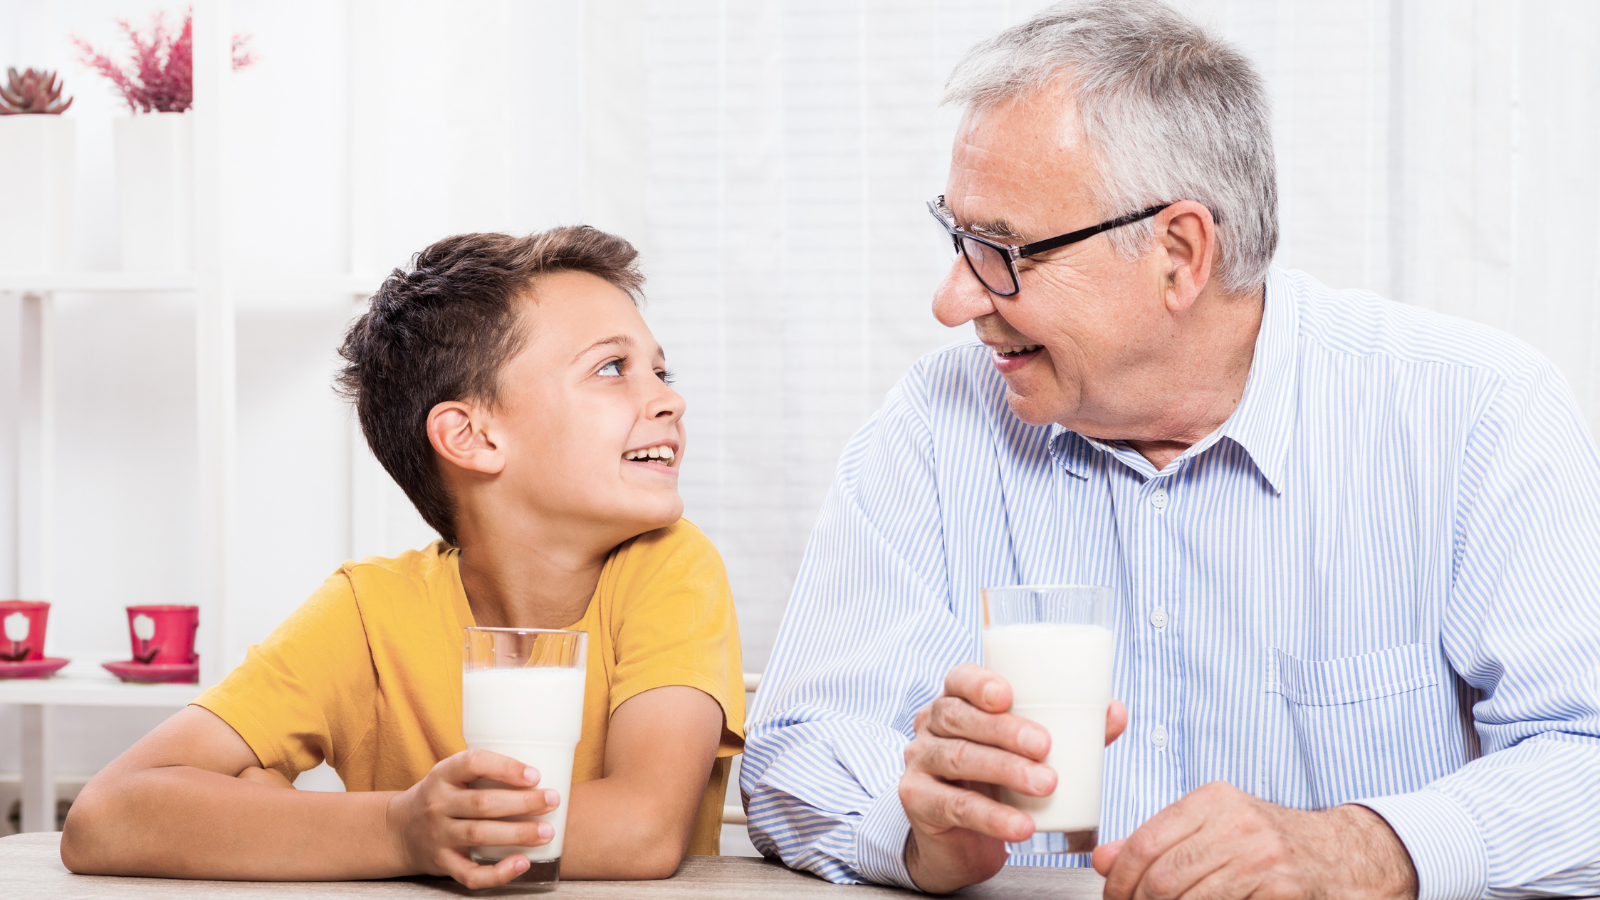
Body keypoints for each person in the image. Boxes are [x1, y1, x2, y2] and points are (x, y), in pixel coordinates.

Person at [740, 2, 1600, 899]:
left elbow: (1588, 756)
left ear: (1179, 253)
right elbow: (795, 749)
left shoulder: (1476, 415)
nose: (953, 301)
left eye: (1000, 250)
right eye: (959, 238)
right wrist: (921, 831)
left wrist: (1366, 846)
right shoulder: (933, 425)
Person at [62, 227, 745, 889]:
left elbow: (641, 829)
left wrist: (278, 816)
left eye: (660, 369)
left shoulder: (671, 567)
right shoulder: (368, 611)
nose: (669, 399)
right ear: (472, 436)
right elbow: (105, 816)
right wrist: (398, 828)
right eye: (611, 368)